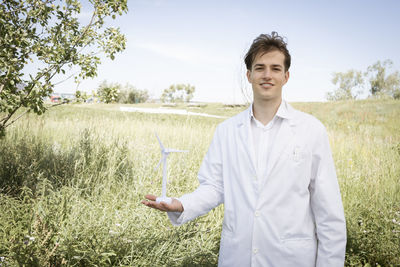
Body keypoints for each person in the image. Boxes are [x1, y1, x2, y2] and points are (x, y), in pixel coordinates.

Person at [142, 32, 347, 267]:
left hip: (292, 259)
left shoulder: (311, 130)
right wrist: (182, 204)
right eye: (260, 68)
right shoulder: (227, 131)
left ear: (286, 76)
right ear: (249, 75)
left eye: (275, 68)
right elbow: (214, 186)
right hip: (237, 257)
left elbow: (329, 215)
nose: (267, 75)